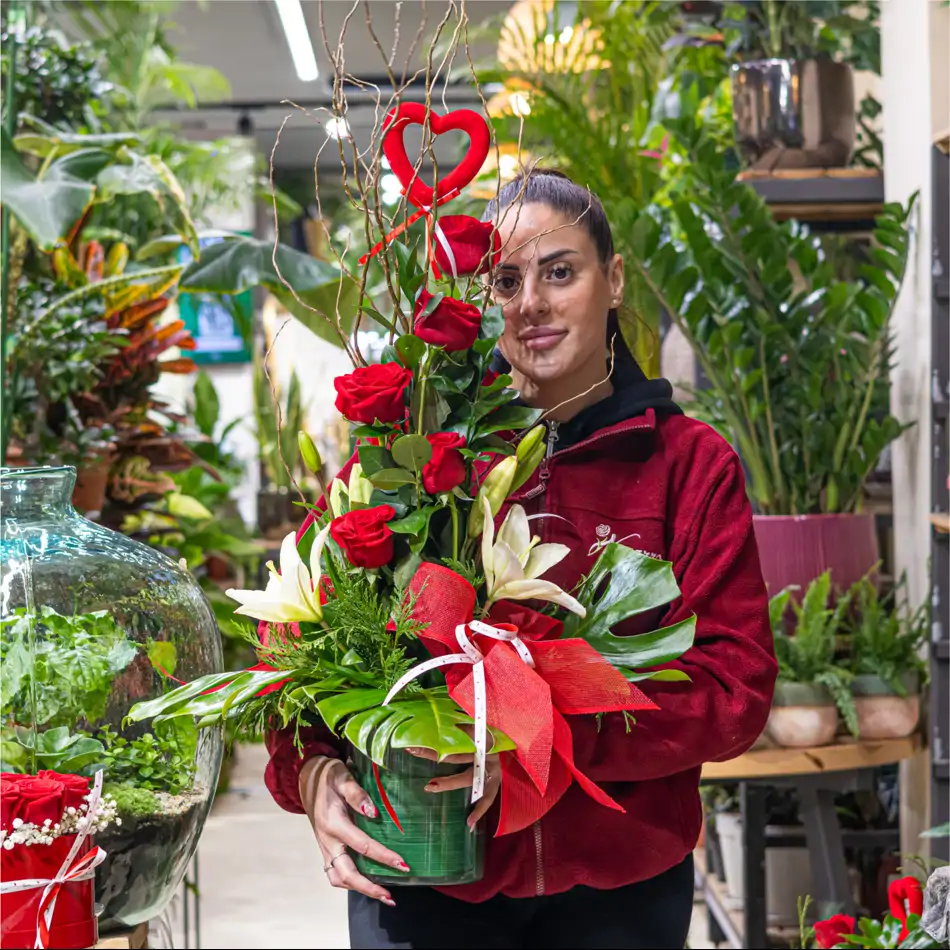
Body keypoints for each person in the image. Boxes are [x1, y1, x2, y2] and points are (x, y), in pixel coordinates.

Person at [264, 170, 778, 949]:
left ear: (614, 280)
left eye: (559, 271)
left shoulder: (687, 465)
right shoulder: (405, 465)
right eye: (505, 279)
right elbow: (297, 664)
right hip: (426, 879)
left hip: (620, 893)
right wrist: (309, 774)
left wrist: (543, 745)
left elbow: (732, 690)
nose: (530, 302)